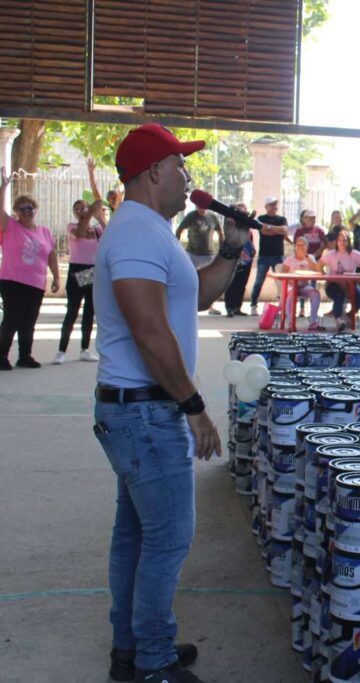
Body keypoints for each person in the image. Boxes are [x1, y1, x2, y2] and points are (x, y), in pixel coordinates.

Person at [93, 123, 248, 683]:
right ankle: (152, 662)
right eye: (182, 166)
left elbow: (198, 295)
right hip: (146, 411)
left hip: (140, 410)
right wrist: (195, 406)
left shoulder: (150, 231)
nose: (189, 178)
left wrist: (231, 249)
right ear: (155, 170)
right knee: (169, 537)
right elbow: (150, 333)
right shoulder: (136, 233)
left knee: (136, 534)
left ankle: (131, 648)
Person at [0, 170, 59, 370]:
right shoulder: (11, 227)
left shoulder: (45, 232)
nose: (27, 211)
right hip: (12, 281)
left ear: (35, 209)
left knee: (29, 321)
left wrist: (56, 277)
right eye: (22, 208)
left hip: (36, 282)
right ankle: (1, 356)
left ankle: (25, 356)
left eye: (30, 207)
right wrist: (4, 187)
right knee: (12, 319)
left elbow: (52, 254)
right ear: (17, 211)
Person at [56, 197, 107, 364]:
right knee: (72, 311)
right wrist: (90, 212)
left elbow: (110, 235)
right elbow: (79, 233)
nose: (80, 211)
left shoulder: (97, 230)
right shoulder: (73, 227)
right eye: (77, 209)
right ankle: (61, 350)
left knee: (89, 312)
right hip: (76, 271)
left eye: (82, 208)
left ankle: (84, 349)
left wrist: (99, 216)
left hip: (92, 271)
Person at [321, 229, 360, 332]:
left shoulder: (354, 254)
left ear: (348, 241)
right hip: (333, 284)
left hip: (350, 284)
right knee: (338, 296)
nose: (342, 243)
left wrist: (358, 275)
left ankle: (349, 315)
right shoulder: (331, 254)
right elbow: (318, 265)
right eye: (340, 240)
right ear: (337, 242)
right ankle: (339, 321)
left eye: (344, 240)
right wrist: (326, 276)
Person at [249, 197, 289, 315]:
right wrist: (276, 230)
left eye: (275, 204)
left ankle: (282, 306)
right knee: (259, 281)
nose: (274, 207)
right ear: (266, 206)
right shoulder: (261, 218)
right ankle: (253, 305)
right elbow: (263, 231)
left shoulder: (282, 219)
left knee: (280, 283)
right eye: (271, 205)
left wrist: (270, 227)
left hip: (278, 255)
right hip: (264, 256)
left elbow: (284, 230)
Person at [281, 237, 324, 331]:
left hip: (305, 286)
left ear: (307, 247)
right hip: (292, 286)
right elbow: (282, 275)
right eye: (298, 245)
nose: (300, 247)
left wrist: (307, 257)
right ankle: (291, 323)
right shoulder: (289, 259)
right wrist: (292, 282)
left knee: (316, 294)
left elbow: (317, 271)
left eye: (302, 245)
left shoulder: (310, 257)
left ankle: (313, 323)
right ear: (295, 247)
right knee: (291, 295)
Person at [224, 202, 255, 318]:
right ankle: (229, 307)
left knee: (242, 284)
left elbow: (250, 240)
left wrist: (253, 251)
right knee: (232, 283)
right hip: (235, 259)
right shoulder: (233, 225)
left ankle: (237, 307)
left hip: (247, 259)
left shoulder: (248, 226)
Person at [175, 204, 223, 270]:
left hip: (208, 254)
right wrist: (177, 245)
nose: (201, 209)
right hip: (192, 253)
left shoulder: (213, 217)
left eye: (203, 206)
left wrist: (221, 248)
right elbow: (180, 229)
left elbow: (220, 232)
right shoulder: (191, 216)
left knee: (209, 275)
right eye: (199, 206)